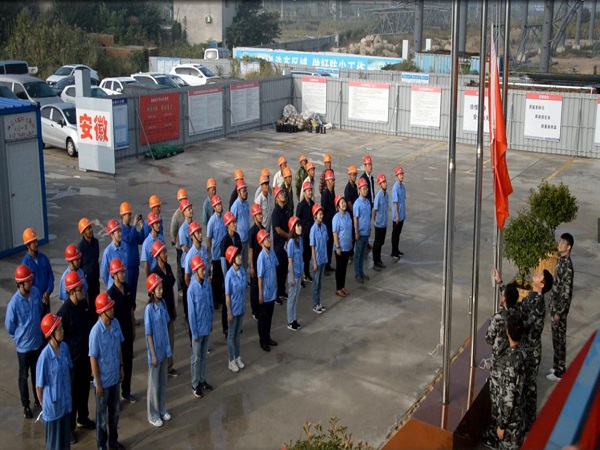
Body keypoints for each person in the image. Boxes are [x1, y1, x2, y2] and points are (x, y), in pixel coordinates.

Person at [57, 271, 94, 444]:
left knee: (84, 390)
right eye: (80, 289)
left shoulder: (84, 305)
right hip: (72, 361)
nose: (83, 291)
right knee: (72, 394)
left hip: (85, 357)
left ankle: (83, 418)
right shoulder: (64, 313)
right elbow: (59, 339)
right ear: (72, 292)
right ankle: (70, 427)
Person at [483, 275, 519, 449]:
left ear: (503, 299)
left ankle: (498, 434)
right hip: (509, 356)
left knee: (498, 399)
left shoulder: (499, 317)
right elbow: (510, 298)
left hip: (499, 364)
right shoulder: (516, 312)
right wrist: (500, 283)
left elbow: (488, 338)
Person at [5, 264, 44, 419]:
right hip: (23, 348)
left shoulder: (35, 293)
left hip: (37, 343)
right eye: (28, 281)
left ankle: (38, 400)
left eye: (30, 280)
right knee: (23, 376)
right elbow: (9, 326)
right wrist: (19, 337)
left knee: (36, 374)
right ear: (20, 284)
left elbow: (40, 309)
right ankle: (26, 404)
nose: (30, 283)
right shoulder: (14, 304)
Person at [89, 293, 125, 450]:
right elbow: (93, 359)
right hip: (103, 383)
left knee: (115, 413)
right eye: (109, 308)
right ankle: (102, 446)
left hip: (115, 378)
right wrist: (98, 383)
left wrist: (121, 367)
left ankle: (113, 442)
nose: (112, 310)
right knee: (102, 418)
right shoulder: (96, 332)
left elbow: (119, 346)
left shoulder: (115, 324)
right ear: (102, 312)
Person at [519, 269, 553, 432]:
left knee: (529, 388)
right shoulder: (532, 296)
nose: (536, 274)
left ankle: (529, 424)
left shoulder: (537, 303)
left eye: (540, 276)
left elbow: (523, 322)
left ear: (542, 285)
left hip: (531, 351)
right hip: (526, 347)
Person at [36, 313, 72, 450]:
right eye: (59, 329)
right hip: (53, 410)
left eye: (62, 328)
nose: (62, 331)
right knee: (54, 445)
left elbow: (68, 370)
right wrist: (46, 405)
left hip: (65, 405)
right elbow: (39, 387)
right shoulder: (44, 357)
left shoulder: (64, 348)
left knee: (65, 444)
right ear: (51, 334)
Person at [494, 311, 527, 450]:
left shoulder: (509, 363)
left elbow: (508, 399)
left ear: (508, 332)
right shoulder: (523, 352)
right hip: (520, 416)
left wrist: (502, 425)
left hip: (510, 425)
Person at [107, 258, 137, 404]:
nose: (124, 275)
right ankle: (115, 398)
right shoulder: (111, 295)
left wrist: (133, 327)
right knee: (118, 365)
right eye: (120, 272)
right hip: (116, 336)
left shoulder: (128, 289)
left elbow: (131, 309)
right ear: (114, 275)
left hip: (127, 332)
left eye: (123, 272)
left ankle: (126, 392)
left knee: (128, 363)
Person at [144, 274, 172, 428]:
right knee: (153, 385)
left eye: (161, 288)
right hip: (155, 353)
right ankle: (153, 414)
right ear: (152, 291)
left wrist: (168, 350)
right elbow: (148, 334)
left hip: (163, 350)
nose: (161, 291)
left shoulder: (162, 304)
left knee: (163, 383)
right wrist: (153, 355)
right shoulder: (149, 309)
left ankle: (162, 409)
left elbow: (166, 325)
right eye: (159, 288)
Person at [547, 232, 575, 382]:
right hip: (555, 306)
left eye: (563, 243)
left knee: (559, 340)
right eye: (560, 242)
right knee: (555, 338)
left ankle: (560, 371)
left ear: (568, 247)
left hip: (560, 309)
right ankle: (556, 365)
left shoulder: (567, 266)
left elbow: (566, 292)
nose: (560, 244)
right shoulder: (561, 260)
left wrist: (559, 311)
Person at [187, 255, 214, 398]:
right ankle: (195, 383)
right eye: (202, 269)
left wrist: (211, 322)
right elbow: (191, 314)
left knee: (203, 356)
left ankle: (203, 380)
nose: (204, 271)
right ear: (195, 271)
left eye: (204, 269)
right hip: (197, 330)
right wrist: (194, 332)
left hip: (206, 326)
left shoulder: (207, 285)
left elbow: (210, 304)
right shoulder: (192, 289)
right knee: (196, 358)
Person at [151, 240, 179, 377]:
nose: (166, 255)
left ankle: (169, 366)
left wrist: (173, 307)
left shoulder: (168, 268)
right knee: (161, 340)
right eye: (163, 253)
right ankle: (162, 367)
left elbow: (172, 289)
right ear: (157, 256)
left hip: (169, 309)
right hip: (160, 313)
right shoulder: (154, 273)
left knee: (170, 339)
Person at [224, 246, 247, 373]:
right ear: (232, 259)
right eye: (237, 256)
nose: (240, 257)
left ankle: (238, 356)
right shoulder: (229, 276)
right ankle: (231, 360)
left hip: (241, 308)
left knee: (237, 335)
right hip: (233, 310)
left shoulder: (242, 270)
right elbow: (227, 296)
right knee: (231, 336)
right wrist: (229, 312)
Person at [22, 227, 54, 315]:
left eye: (36, 241)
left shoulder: (43, 258)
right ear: (27, 245)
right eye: (33, 242)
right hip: (34, 303)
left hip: (46, 299)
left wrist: (48, 291)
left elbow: (50, 275)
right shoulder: (25, 264)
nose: (36, 244)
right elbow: (26, 286)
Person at [220, 211, 242, 337]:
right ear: (228, 225)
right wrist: (226, 278)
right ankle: (226, 327)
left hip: (237, 272)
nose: (235, 224)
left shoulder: (237, 237)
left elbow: (239, 255)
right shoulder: (225, 241)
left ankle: (236, 323)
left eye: (235, 222)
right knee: (227, 302)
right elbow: (224, 262)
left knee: (236, 299)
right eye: (232, 223)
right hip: (229, 274)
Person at [256, 229, 278, 352]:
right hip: (265, 293)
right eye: (266, 239)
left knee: (269, 317)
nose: (268, 240)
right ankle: (263, 341)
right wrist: (260, 294)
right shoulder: (261, 258)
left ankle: (268, 337)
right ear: (261, 242)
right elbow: (260, 277)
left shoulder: (271, 252)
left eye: (268, 238)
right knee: (263, 318)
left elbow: (275, 267)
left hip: (272, 291)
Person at [120, 202, 145, 303]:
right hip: (127, 266)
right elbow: (129, 239)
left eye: (130, 214)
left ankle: (132, 310)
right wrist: (134, 225)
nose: (130, 217)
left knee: (133, 291)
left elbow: (140, 239)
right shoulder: (121, 230)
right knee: (128, 292)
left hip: (135, 265)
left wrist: (142, 228)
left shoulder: (131, 229)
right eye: (128, 214)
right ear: (122, 216)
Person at [78, 217, 100, 324]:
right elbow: (79, 266)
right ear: (83, 232)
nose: (91, 230)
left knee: (96, 307)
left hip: (95, 280)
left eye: (91, 228)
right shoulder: (81, 247)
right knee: (89, 307)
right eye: (88, 229)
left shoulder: (95, 242)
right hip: (87, 283)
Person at [207, 194, 227, 313]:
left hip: (223, 254)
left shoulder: (224, 218)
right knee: (216, 278)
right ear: (214, 207)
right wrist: (210, 252)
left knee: (222, 277)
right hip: (215, 254)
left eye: (220, 204)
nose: (220, 206)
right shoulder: (212, 221)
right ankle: (215, 299)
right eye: (217, 205)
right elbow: (208, 238)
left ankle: (220, 297)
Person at [272, 186, 291, 303]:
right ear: (276, 198)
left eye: (283, 193)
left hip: (285, 245)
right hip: (279, 246)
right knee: (278, 271)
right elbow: (278, 230)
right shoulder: (276, 212)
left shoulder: (285, 210)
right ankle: (276, 294)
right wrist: (288, 235)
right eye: (280, 194)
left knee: (284, 269)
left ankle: (282, 290)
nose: (283, 195)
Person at [169, 189, 189, 295]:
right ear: (178, 201)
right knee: (180, 266)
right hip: (180, 246)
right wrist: (175, 240)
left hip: (188, 244)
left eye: (185, 199)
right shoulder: (176, 216)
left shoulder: (187, 211)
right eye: (182, 200)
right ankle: (180, 288)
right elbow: (173, 231)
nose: (183, 201)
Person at [332, 195, 353, 298]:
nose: (344, 204)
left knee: (344, 268)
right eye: (342, 203)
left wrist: (351, 242)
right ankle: (338, 288)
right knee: (339, 268)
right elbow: (335, 233)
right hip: (340, 247)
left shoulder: (348, 215)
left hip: (347, 246)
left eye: (344, 202)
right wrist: (337, 247)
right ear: (338, 206)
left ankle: (343, 286)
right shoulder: (336, 218)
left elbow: (349, 229)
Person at [310, 204, 328, 314]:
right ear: (315, 215)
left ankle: (319, 302)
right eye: (319, 214)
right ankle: (315, 304)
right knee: (315, 284)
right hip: (317, 259)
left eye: (322, 214)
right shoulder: (313, 229)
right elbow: (312, 246)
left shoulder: (324, 227)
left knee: (320, 283)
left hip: (323, 258)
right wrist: (315, 262)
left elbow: (325, 242)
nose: (321, 216)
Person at [286, 216, 303, 331]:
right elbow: (290, 260)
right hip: (293, 275)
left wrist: (302, 274)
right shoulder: (291, 242)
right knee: (291, 298)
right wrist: (292, 276)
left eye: (300, 225)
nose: (300, 227)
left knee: (296, 298)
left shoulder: (300, 240)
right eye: (298, 225)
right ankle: (290, 321)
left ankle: (294, 319)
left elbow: (301, 258)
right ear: (293, 228)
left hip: (298, 273)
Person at [296, 180, 315, 283]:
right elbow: (297, 220)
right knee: (302, 257)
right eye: (308, 191)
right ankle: (301, 277)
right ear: (304, 192)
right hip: (303, 235)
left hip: (311, 235)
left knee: (308, 256)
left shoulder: (312, 204)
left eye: (311, 190)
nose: (310, 192)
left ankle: (307, 274)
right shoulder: (301, 205)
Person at [101, 219, 129, 289]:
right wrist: (110, 284)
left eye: (120, 231)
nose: (120, 234)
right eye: (118, 232)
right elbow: (104, 273)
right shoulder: (108, 252)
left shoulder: (125, 246)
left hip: (124, 284)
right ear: (112, 235)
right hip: (113, 286)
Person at [353, 178, 372, 283]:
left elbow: (368, 217)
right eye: (363, 189)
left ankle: (361, 272)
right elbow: (355, 218)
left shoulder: (368, 202)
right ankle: (357, 274)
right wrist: (356, 232)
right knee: (358, 255)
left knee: (363, 255)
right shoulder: (357, 204)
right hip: (360, 234)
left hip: (366, 233)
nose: (365, 190)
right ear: (359, 190)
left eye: (366, 188)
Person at [248, 204, 265, 320]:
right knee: (254, 287)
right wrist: (252, 266)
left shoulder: (262, 229)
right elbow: (251, 250)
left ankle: (261, 305)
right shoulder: (252, 231)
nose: (261, 216)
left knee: (261, 285)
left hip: (262, 262)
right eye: (258, 214)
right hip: (255, 262)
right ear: (254, 216)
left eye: (261, 214)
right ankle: (254, 310)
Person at [231, 178, 250, 271]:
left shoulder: (246, 203)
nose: (245, 193)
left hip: (246, 239)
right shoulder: (235, 206)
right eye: (243, 191)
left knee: (245, 264)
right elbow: (232, 224)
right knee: (239, 263)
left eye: (246, 191)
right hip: (239, 240)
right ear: (238, 192)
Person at [372, 174, 389, 271]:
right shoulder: (378, 196)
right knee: (377, 243)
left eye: (385, 182)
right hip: (379, 224)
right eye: (383, 182)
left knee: (381, 242)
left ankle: (378, 260)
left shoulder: (386, 195)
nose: (385, 184)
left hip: (384, 223)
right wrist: (376, 221)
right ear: (380, 184)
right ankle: (375, 261)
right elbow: (374, 210)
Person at [141, 212, 166, 277]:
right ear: (151, 226)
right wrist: (148, 278)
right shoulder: (146, 243)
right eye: (156, 223)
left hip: (163, 272)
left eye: (159, 223)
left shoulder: (161, 239)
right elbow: (146, 264)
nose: (159, 225)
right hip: (153, 274)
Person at [321, 169, 336, 274]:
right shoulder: (325, 195)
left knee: (330, 245)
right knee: (326, 246)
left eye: (333, 180)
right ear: (327, 181)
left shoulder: (332, 192)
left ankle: (328, 264)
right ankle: (325, 266)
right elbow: (323, 209)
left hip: (332, 223)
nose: (332, 182)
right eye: (331, 180)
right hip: (327, 224)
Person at [391, 166, 406, 259]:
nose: (401, 176)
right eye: (400, 174)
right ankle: (394, 252)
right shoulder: (395, 188)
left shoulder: (402, 187)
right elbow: (395, 202)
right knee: (395, 234)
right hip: (397, 216)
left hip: (402, 215)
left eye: (402, 174)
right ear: (397, 176)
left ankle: (397, 250)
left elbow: (403, 200)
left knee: (398, 234)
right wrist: (397, 215)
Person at [344, 165, 359, 256]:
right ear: (349, 175)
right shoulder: (348, 188)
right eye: (352, 175)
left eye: (355, 175)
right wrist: (355, 213)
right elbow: (349, 204)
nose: (354, 177)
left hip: (355, 214)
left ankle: (353, 251)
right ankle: (350, 253)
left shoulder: (355, 186)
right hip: (351, 214)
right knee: (351, 234)